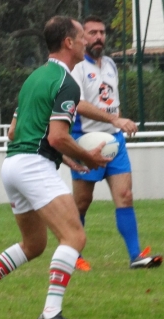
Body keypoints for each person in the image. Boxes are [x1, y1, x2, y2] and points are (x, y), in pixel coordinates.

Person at [0, 16, 111, 319]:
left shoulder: (33, 79)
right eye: (81, 37)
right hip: (32, 165)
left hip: (13, 165)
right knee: (74, 236)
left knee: (34, 244)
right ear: (68, 43)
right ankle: (51, 314)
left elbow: (15, 131)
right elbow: (56, 137)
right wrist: (87, 158)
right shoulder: (67, 83)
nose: (85, 42)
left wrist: (64, 158)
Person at [70, 15, 162, 271]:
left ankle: (136, 256)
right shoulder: (76, 67)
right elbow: (79, 104)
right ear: (82, 37)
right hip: (86, 141)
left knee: (125, 195)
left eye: (101, 32)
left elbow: (110, 101)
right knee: (82, 202)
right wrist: (116, 119)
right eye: (92, 33)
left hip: (114, 140)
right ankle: (72, 254)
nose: (99, 37)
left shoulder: (110, 64)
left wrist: (118, 122)